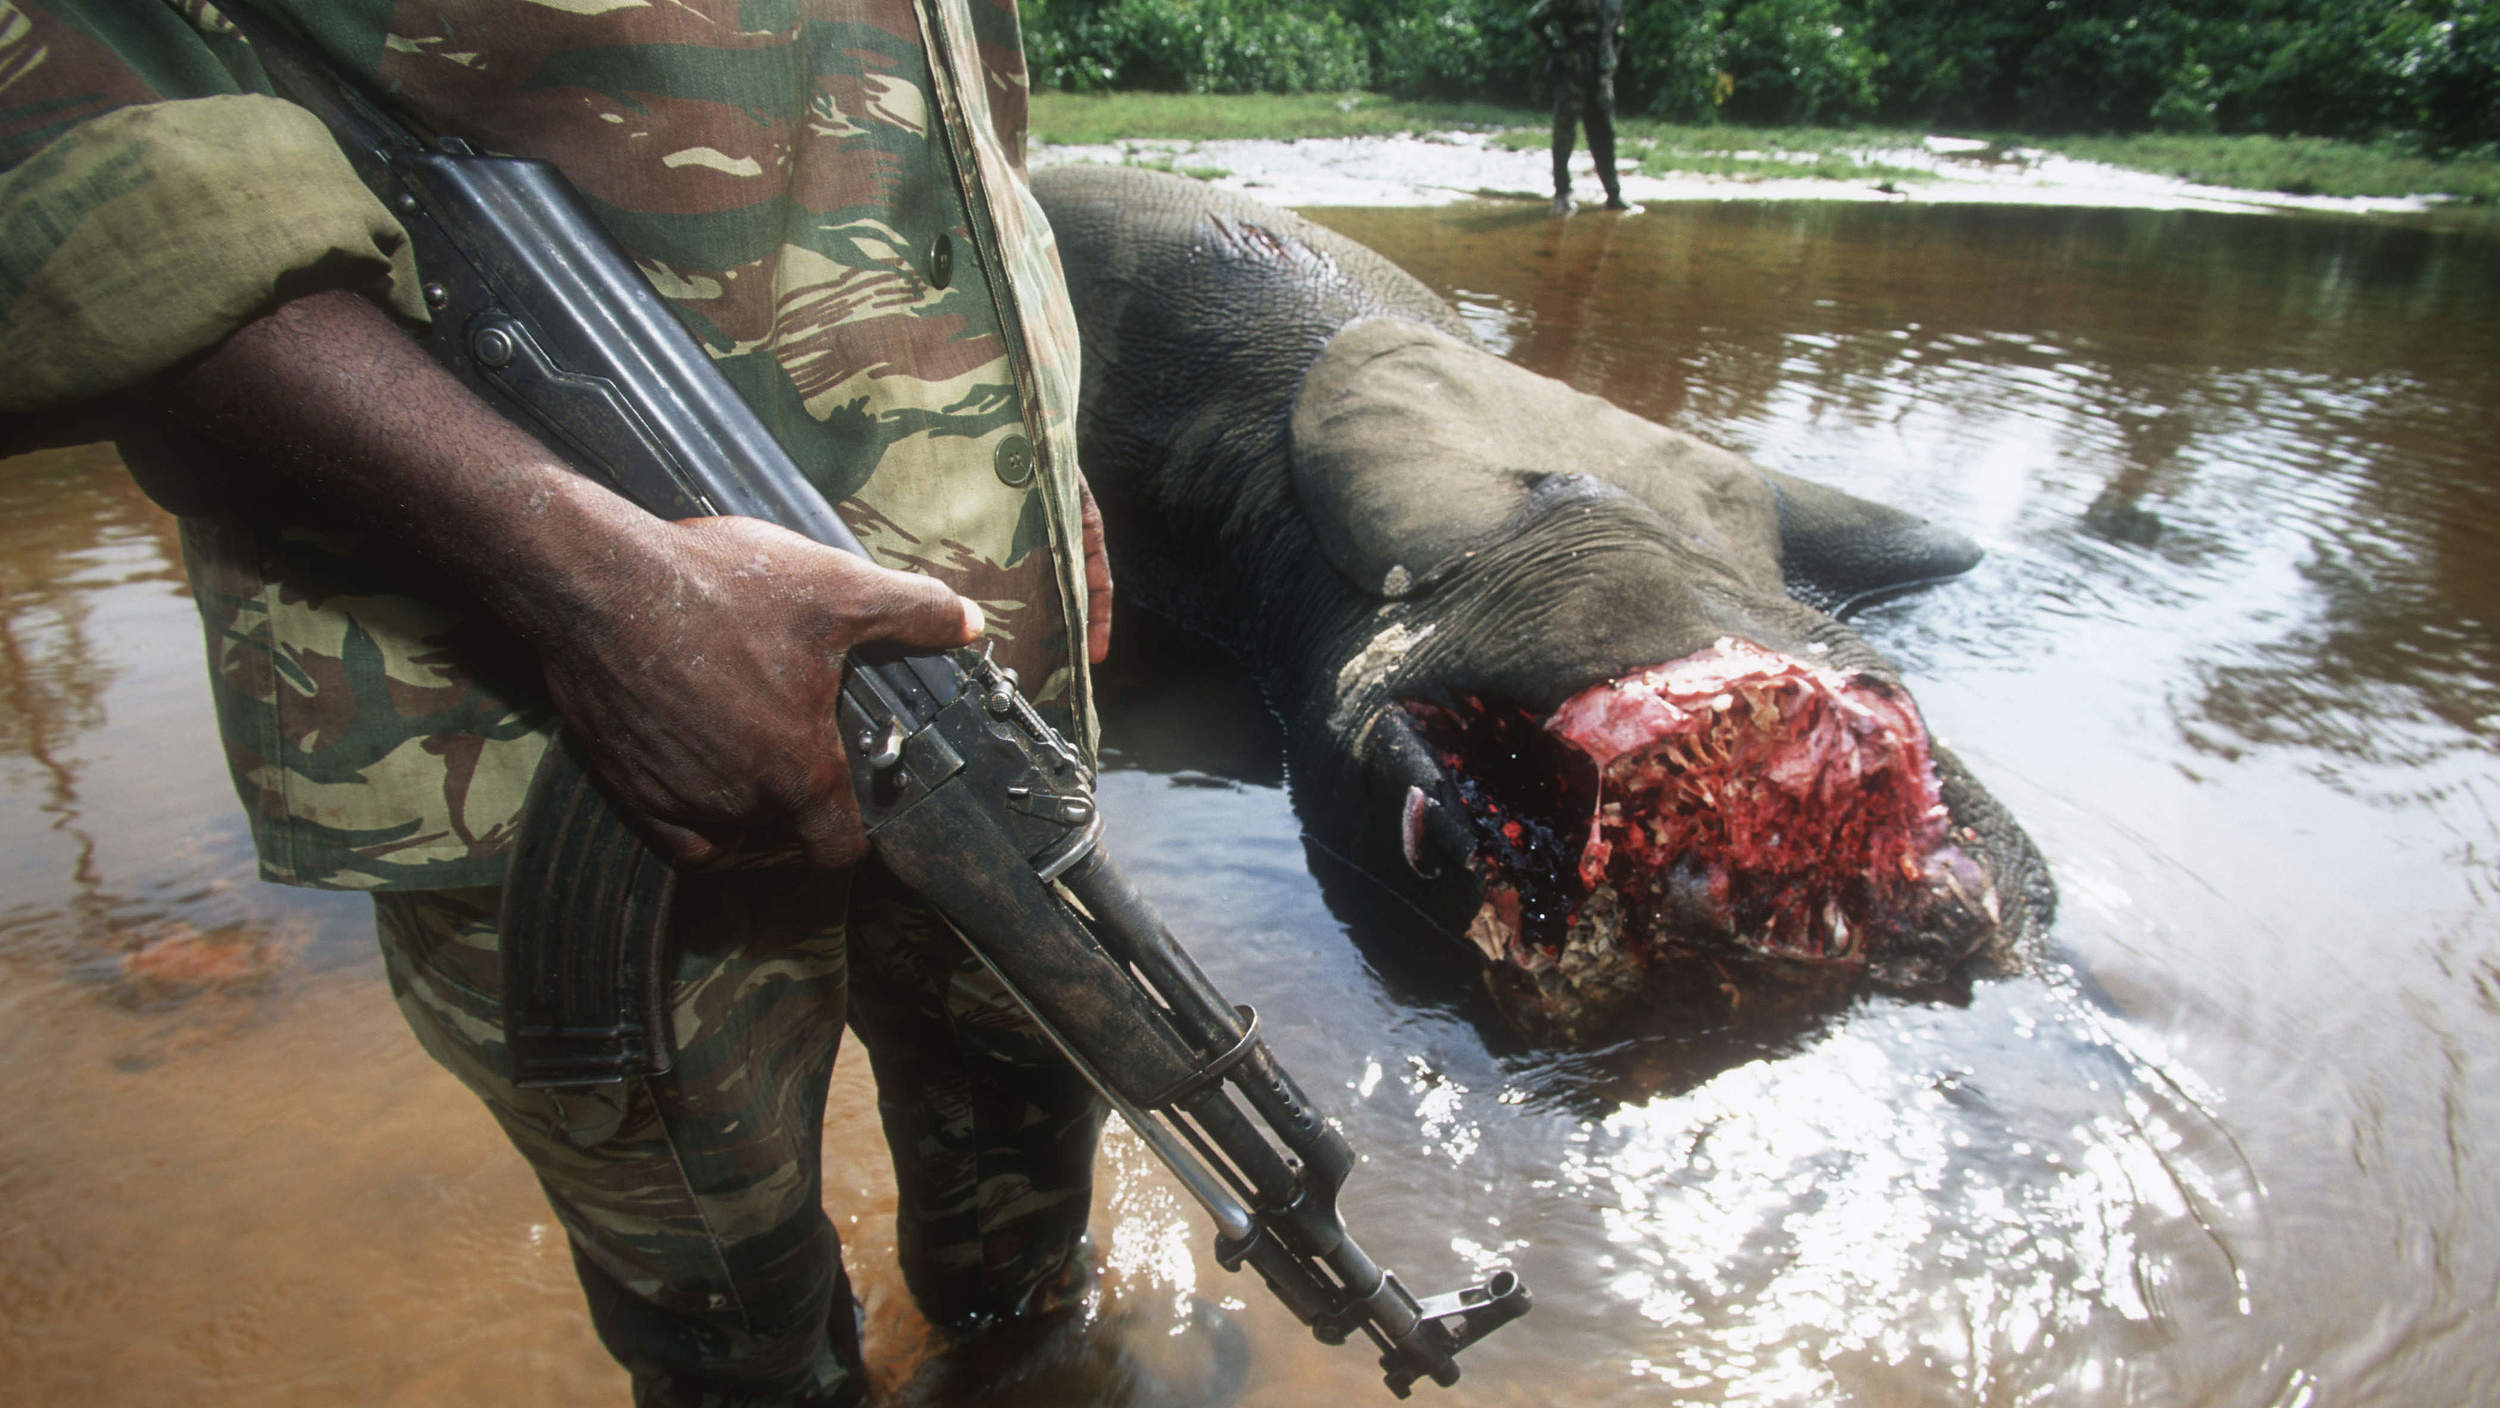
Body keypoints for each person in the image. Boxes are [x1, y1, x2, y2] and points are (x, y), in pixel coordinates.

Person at [0, 2, 1121, 1404]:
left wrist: (1047, 465)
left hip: (972, 673)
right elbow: (72, 151)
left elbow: (954, 128)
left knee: (1028, 1228)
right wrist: (596, 593)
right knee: (740, 1348)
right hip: (536, 705)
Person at [1527, 0, 1633, 214]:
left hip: (1601, 76)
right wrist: (1555, 47)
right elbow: (1535, 19)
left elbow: (1618, 32)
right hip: (1573, 73)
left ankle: (1613, 193)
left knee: (1604, 134)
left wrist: (1612, 60)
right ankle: (1562, 193)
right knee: (1565, 134)